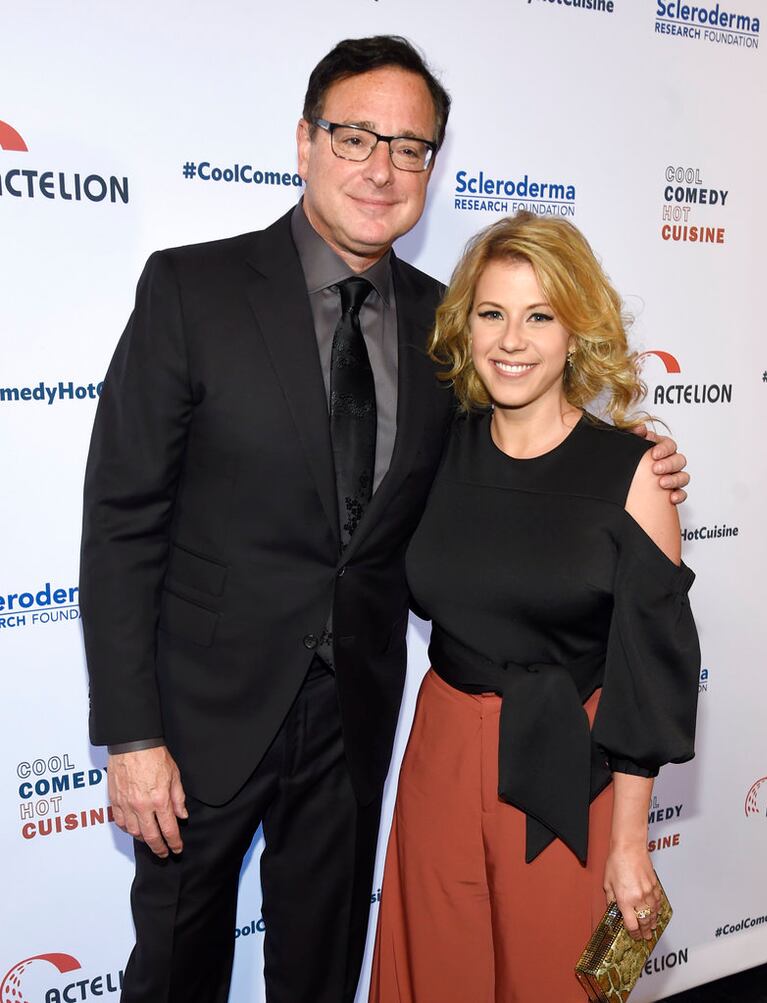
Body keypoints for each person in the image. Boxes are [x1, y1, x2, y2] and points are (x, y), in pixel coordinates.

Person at [79, 37, 689, 1003]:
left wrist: (631, 465)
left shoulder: (448, 327)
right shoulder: (191, 289)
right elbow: (121, 522)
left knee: (323, 975)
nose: (382, 168)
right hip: (199, 727)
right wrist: (131, 735)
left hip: (356, 728)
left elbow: (521, 463)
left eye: (410, 148)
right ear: (305, 142)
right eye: (356, 136)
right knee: (174, 975)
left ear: (432, 167)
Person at [369, 212, 701, 1003]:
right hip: (442, 753)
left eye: (540, 316)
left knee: (552, 980)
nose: (512, 340)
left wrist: (629, 841)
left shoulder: (635, 473)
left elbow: (647, 675)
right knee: (437, 976)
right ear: (466, 326)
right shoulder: (432, 447)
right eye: (493, 313)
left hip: (568, 766)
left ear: (576, 331)